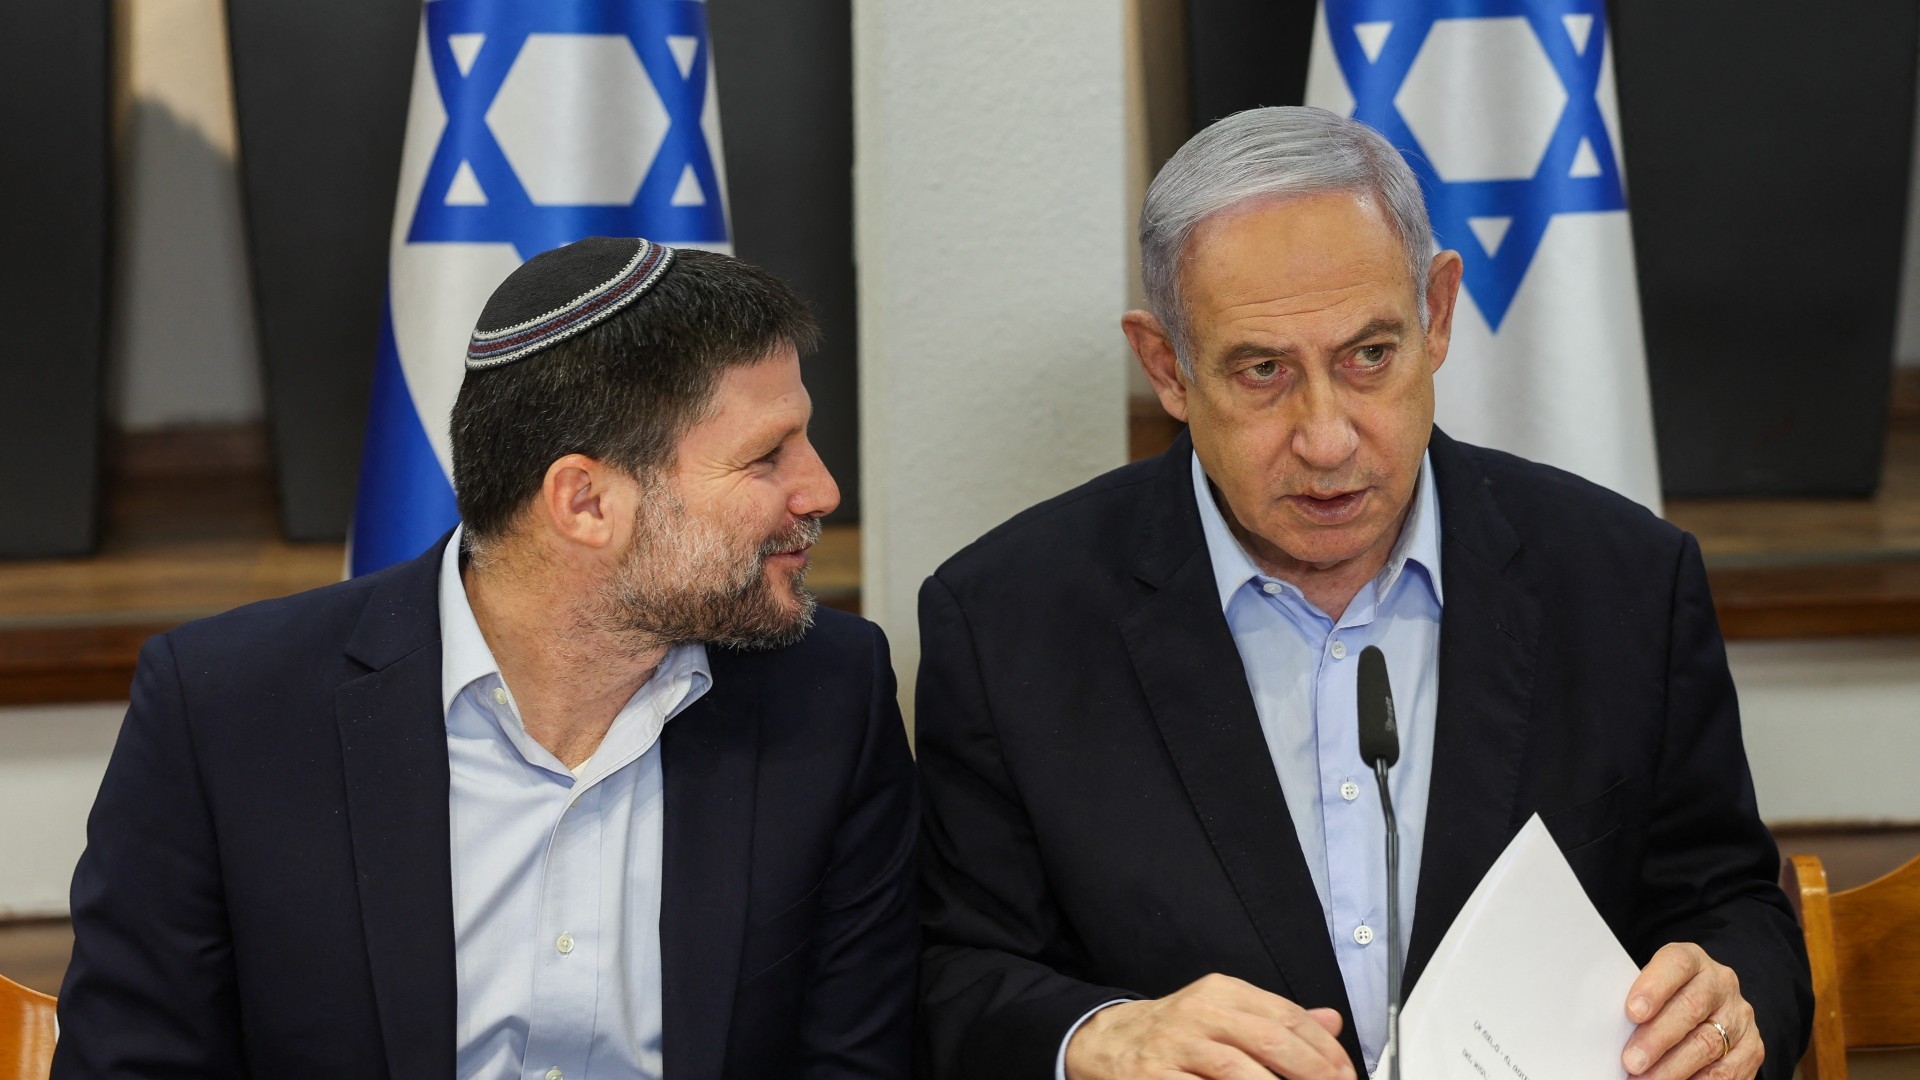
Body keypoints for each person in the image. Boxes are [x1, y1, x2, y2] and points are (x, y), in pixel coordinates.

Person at [914, 108, 1811, 1080]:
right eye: (1263, 372)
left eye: (1369, 357)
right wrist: (1097, 1036)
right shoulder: (1008, 621)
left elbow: (1733, 910)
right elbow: (951, 976)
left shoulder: (1625, 581)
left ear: (1437, 314)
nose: (1328, 437)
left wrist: (1726, 1004)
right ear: (1167, 366)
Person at [54, 237, 918, 1079]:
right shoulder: (226, 711)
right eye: (767, 456)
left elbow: (857, 1057)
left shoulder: (830, 695)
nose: (822, 491)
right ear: (583, 502)